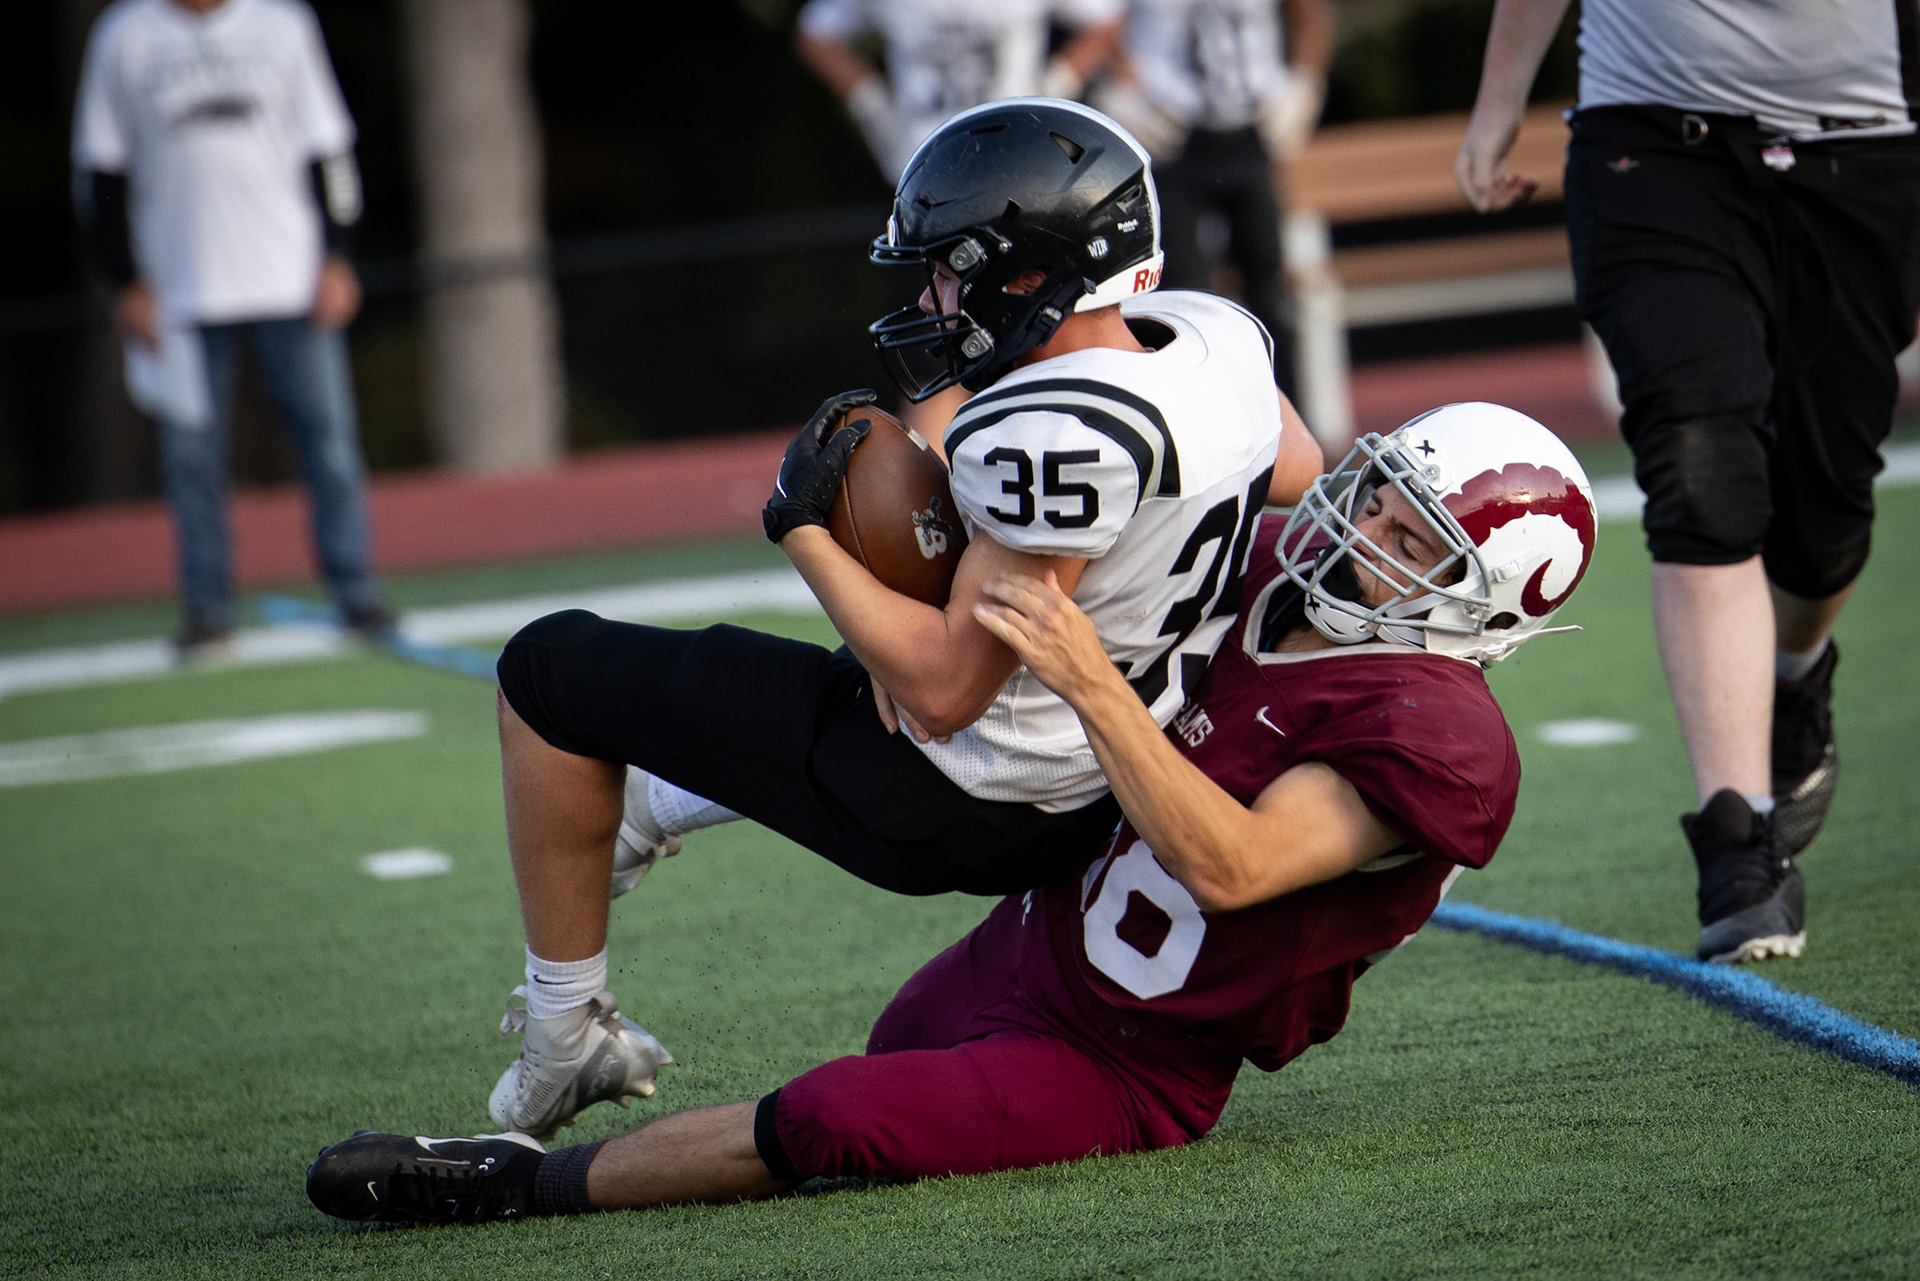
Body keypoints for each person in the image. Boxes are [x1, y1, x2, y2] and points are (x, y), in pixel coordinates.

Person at [304, 401, 1600, 1223]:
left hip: (1134, 1061)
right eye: (1376, 492)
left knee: (834, 1118)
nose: (1360, 528)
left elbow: (1234, 866)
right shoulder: (1260, 567)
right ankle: (675, 797)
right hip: (1021, 944)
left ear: (1487, 603)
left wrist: (1090, 679)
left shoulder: (1439, 739)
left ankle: (509, 1181)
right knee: (891, 1052)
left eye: (1412, 541)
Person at [474, 99, 1324, 1144]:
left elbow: (944, 689)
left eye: (950, 272)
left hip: (962, 793)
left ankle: (563, 1036)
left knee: (547, 671)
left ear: (1032, 275)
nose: (931, 298)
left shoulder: (1052, 434)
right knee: (791, 683)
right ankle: (651, 811)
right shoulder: (1212, 340)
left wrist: (799, 528)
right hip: (1108, 765)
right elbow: (1297, 466)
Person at [1454, 0, 1920, 964]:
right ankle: (1738, 839)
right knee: (1698, 466)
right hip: (1655, 146)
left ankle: (1797, 675)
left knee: (1827, 516)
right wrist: (1499, 101)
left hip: (1865, 149)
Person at [72, 0, 394, 658]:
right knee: (192, 462)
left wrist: (338, 256)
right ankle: (209, 609)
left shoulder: (284, 25)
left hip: (290, 280)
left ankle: (356, 592)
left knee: (329, 443)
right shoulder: (124, 36)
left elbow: (330, 152)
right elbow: (99, 170)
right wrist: (125, 278)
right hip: (181, 294)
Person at [794, 0, 1128, 440]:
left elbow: (1106, 19)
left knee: (1043, 339)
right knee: (940, 359)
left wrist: (1055, 84)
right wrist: (870, 100)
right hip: (930, 183)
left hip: (1022, 188)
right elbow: (815, 35)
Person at [1095, 0, 1333, 396]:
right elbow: (1099, 25)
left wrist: (1306, 82)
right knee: (1181, 293)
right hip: (1169, 134)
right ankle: (1199, 412)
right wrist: (1121, 84)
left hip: (1250, 130)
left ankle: (1286, 412)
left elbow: (1309, 15)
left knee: (1269, 289)